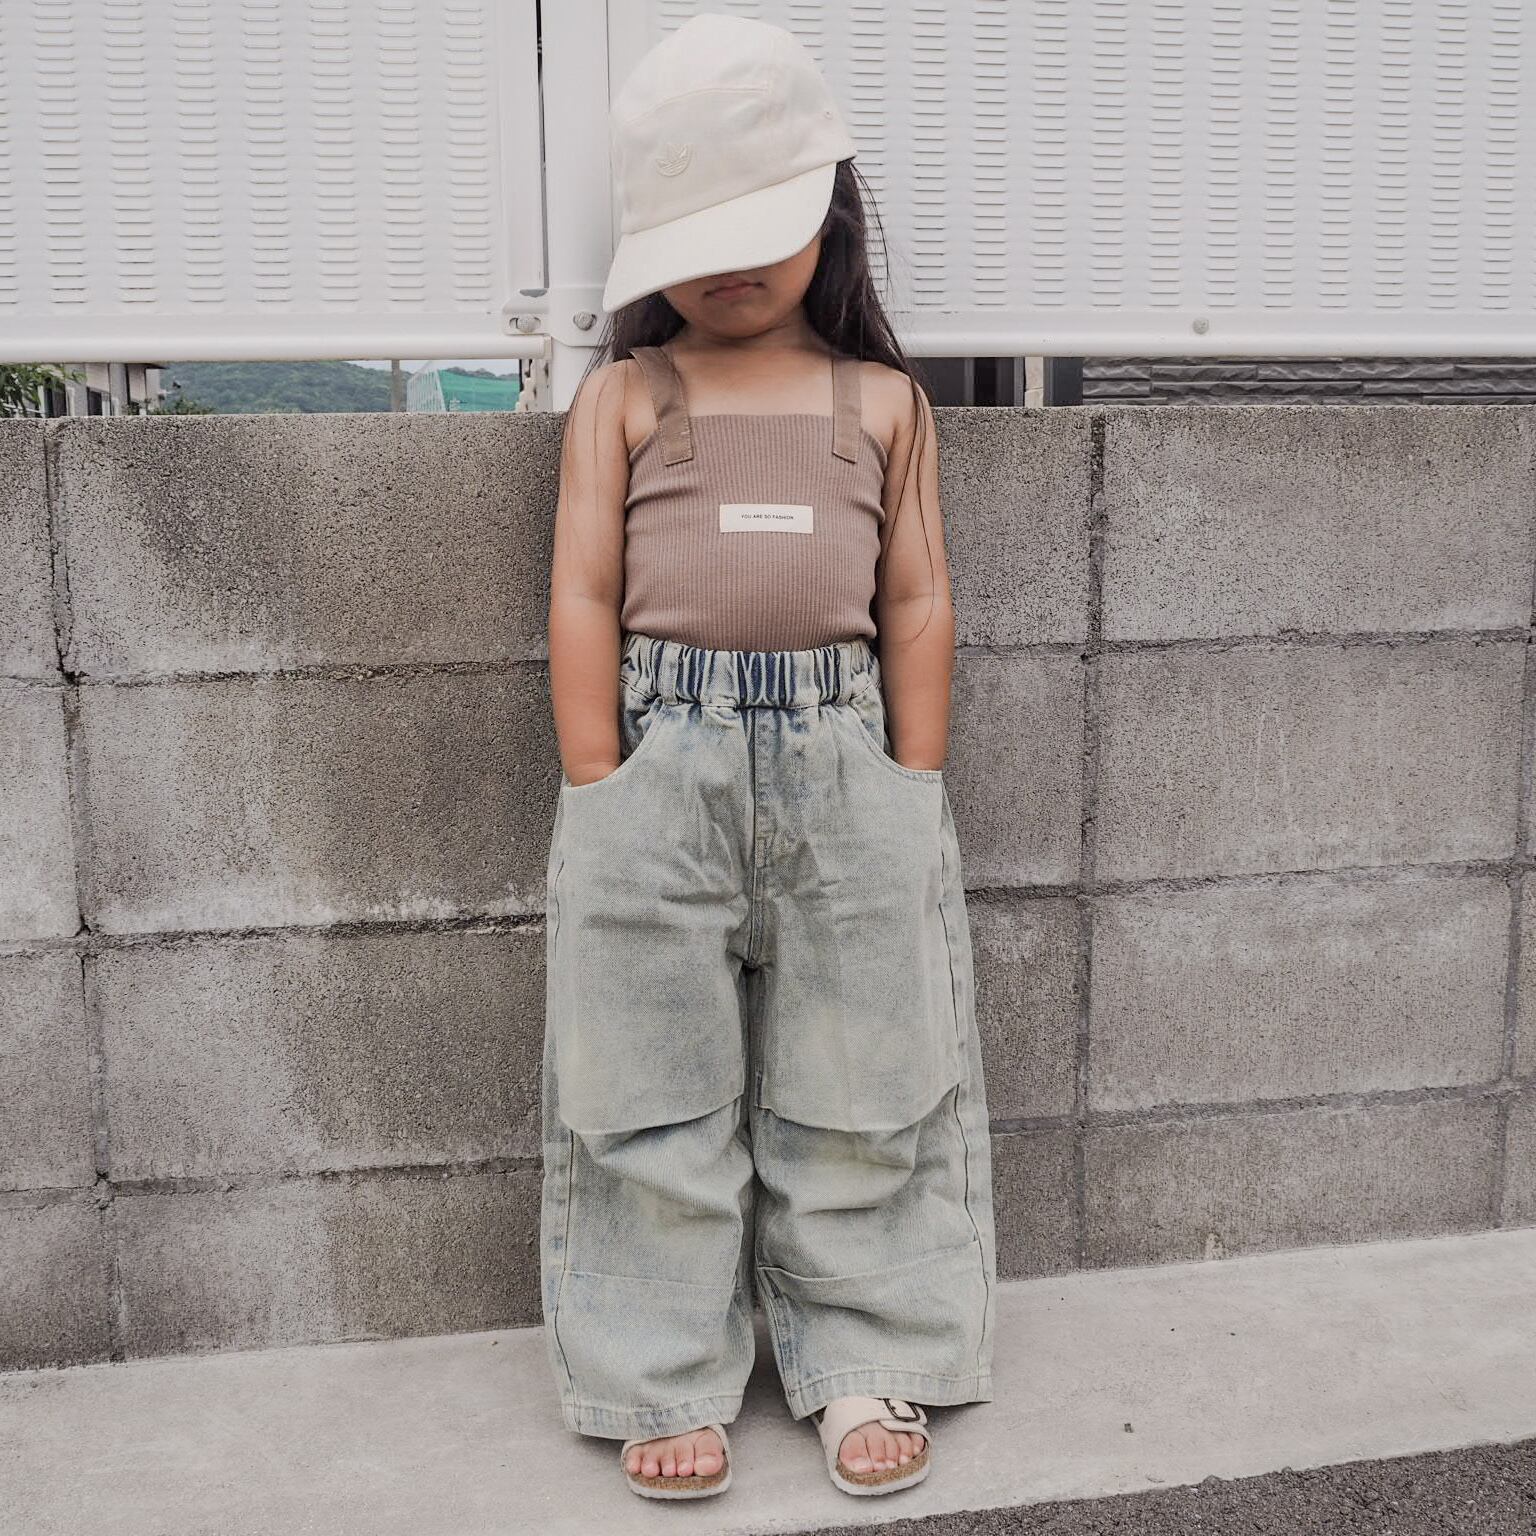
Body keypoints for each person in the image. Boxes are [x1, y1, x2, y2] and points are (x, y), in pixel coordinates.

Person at [540, 10, 996, 1503]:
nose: (731, 267)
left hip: (848, 764)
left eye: (761, 230)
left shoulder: (884, 402)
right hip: (655, 765)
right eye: (699, 241)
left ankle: (867, 1345)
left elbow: (916, 597)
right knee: (645, 1083)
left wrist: (912, 780)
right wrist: (599, 781)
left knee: (864, 1071)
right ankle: (659, 1364)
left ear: (828, 214)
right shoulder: (626, 396)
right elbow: (583, 594)